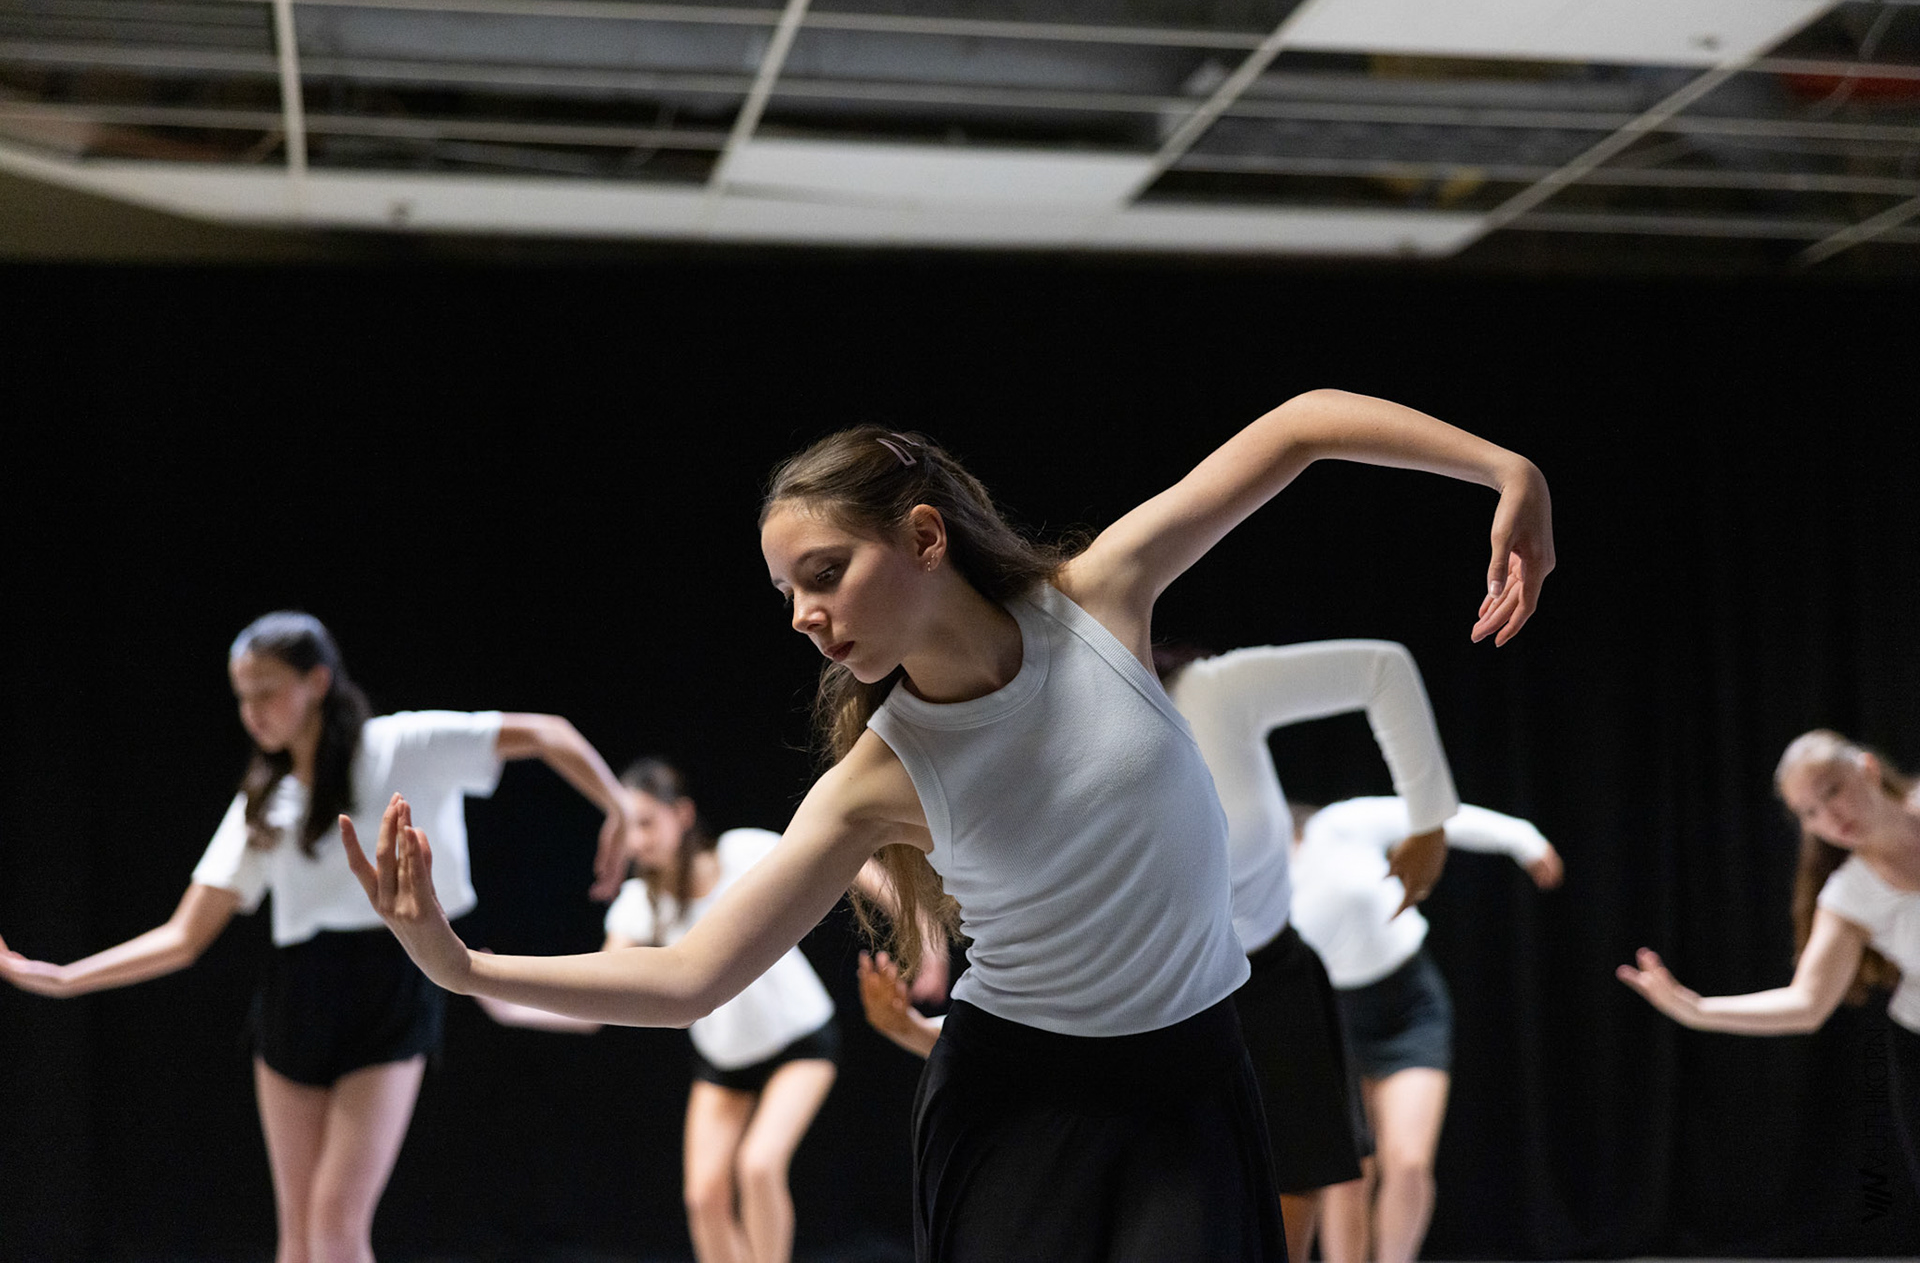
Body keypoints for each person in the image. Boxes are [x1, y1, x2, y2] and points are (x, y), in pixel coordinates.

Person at [343, 392, 1554, 1262]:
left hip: (1196, 1077)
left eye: (825, 572)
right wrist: (462, 964)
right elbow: (691, 975)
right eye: (786, 592)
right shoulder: (878, 777)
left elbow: (1303, 425)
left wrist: (1512, 472)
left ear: (925, 537)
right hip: (1018, 1098)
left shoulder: (1103, 598)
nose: (804, 613)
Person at [0, 612, 636, 1263]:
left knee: (335, 1227)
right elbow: (184, 935)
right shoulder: (266, 799)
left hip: (393, 985)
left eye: (267, 691)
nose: (252, 712)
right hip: (298, 995)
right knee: (299, 1239)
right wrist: (63, 977)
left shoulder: (400, 744)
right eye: (242, 696)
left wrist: (619, 807)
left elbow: (546, 733)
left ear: (318, 681)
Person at [1157, 639, 1462, 1262]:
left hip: (1279, 983)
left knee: (1309, 1179)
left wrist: (1430, 821)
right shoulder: (1061, 715)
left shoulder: (1210, 690)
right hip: (1164, 994)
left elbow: (1382, 668)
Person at [474, 757, 838, 1263]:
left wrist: (921, 934)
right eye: (626, 827)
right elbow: (596, 996)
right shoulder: (639, 905)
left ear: (682, 815)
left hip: (799, 1041)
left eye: (647, 822)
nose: (638, 840)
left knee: (758, 1165)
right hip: (725, 1060)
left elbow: (845, 858)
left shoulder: (742, 853)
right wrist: (513, 1006)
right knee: (704, 1197)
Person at [1617, 729, 1920, 1198]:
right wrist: (1696, 1010)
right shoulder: (1848, 897)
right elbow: (1807, 1004)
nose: (1828, 817)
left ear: (1867, 769)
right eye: (1808, 812)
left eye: (1832, 791)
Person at [1290, 796, 1562, 1263]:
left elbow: (1431, 813)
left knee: (1409, 1162)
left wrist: (1523, 839)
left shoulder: (1337, 827)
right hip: (1328, 1016)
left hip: (1406, 1003)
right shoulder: (1250, 875)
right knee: (1349, 1175)